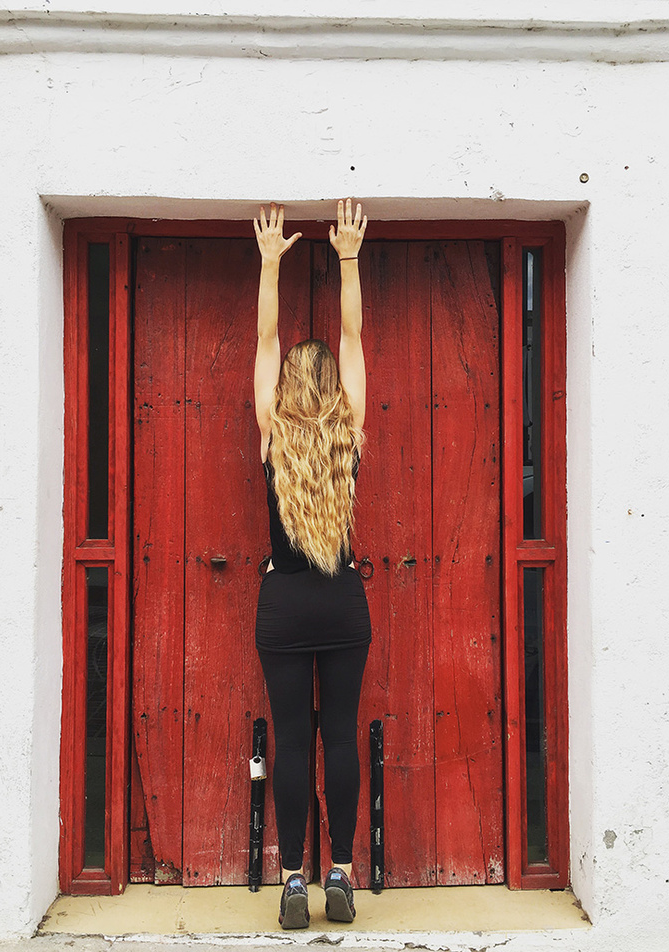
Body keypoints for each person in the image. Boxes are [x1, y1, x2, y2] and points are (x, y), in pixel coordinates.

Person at [253, 200, 371, 930]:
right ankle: (341, 875)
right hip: (343, 602)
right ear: (331, 387)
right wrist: (348, 256)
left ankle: (293, 882)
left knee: (293, 737)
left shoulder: (272, 434)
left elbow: (265, 335)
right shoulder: (350, 430)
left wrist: (270, 262)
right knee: (343, 734)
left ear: (284, 389)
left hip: (285, 606)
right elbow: (354, 334)